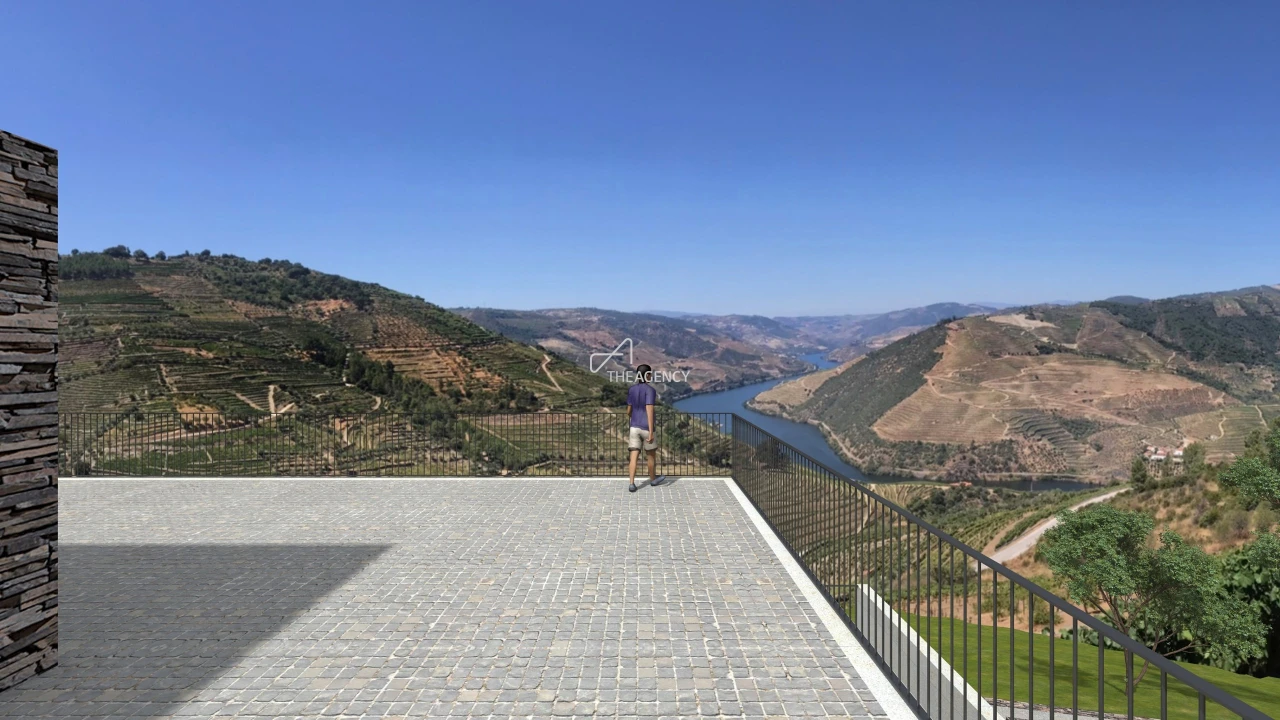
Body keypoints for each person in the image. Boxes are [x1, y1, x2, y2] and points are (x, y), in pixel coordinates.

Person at [626, 363, 661, 492]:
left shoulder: (632, 390)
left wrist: (633, 416)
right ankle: (653, 480)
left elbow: (628, 410)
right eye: (650, 374)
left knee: (633, 457)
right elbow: (649, 410)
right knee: (651, 456)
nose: (651, 376)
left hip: (634, 427)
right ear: (647, 375)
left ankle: (631, 483)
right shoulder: (650, 390)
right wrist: (651, 431)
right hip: (647, 428)